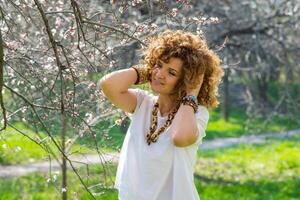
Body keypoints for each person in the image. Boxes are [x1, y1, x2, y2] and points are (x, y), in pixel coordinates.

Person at [99, 29, 224, 200]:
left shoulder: (196, 113)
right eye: (159, 65)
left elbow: (179, 138)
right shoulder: (142, 103)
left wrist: (191, 94)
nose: (160, 75)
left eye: (172, 73)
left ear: (185, 80)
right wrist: (148, 70)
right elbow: (108, 84)